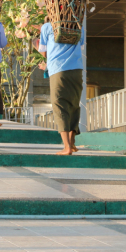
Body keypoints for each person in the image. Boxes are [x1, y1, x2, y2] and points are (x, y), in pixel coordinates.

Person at [37, 23, 85, 155]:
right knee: (74, 105)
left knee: (59, 105)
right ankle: (72, 143)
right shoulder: (78, 25)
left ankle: (67, 147)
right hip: (76, 70)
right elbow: (81, 46)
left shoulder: (47, 27)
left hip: (58, 70)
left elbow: (43, 51)